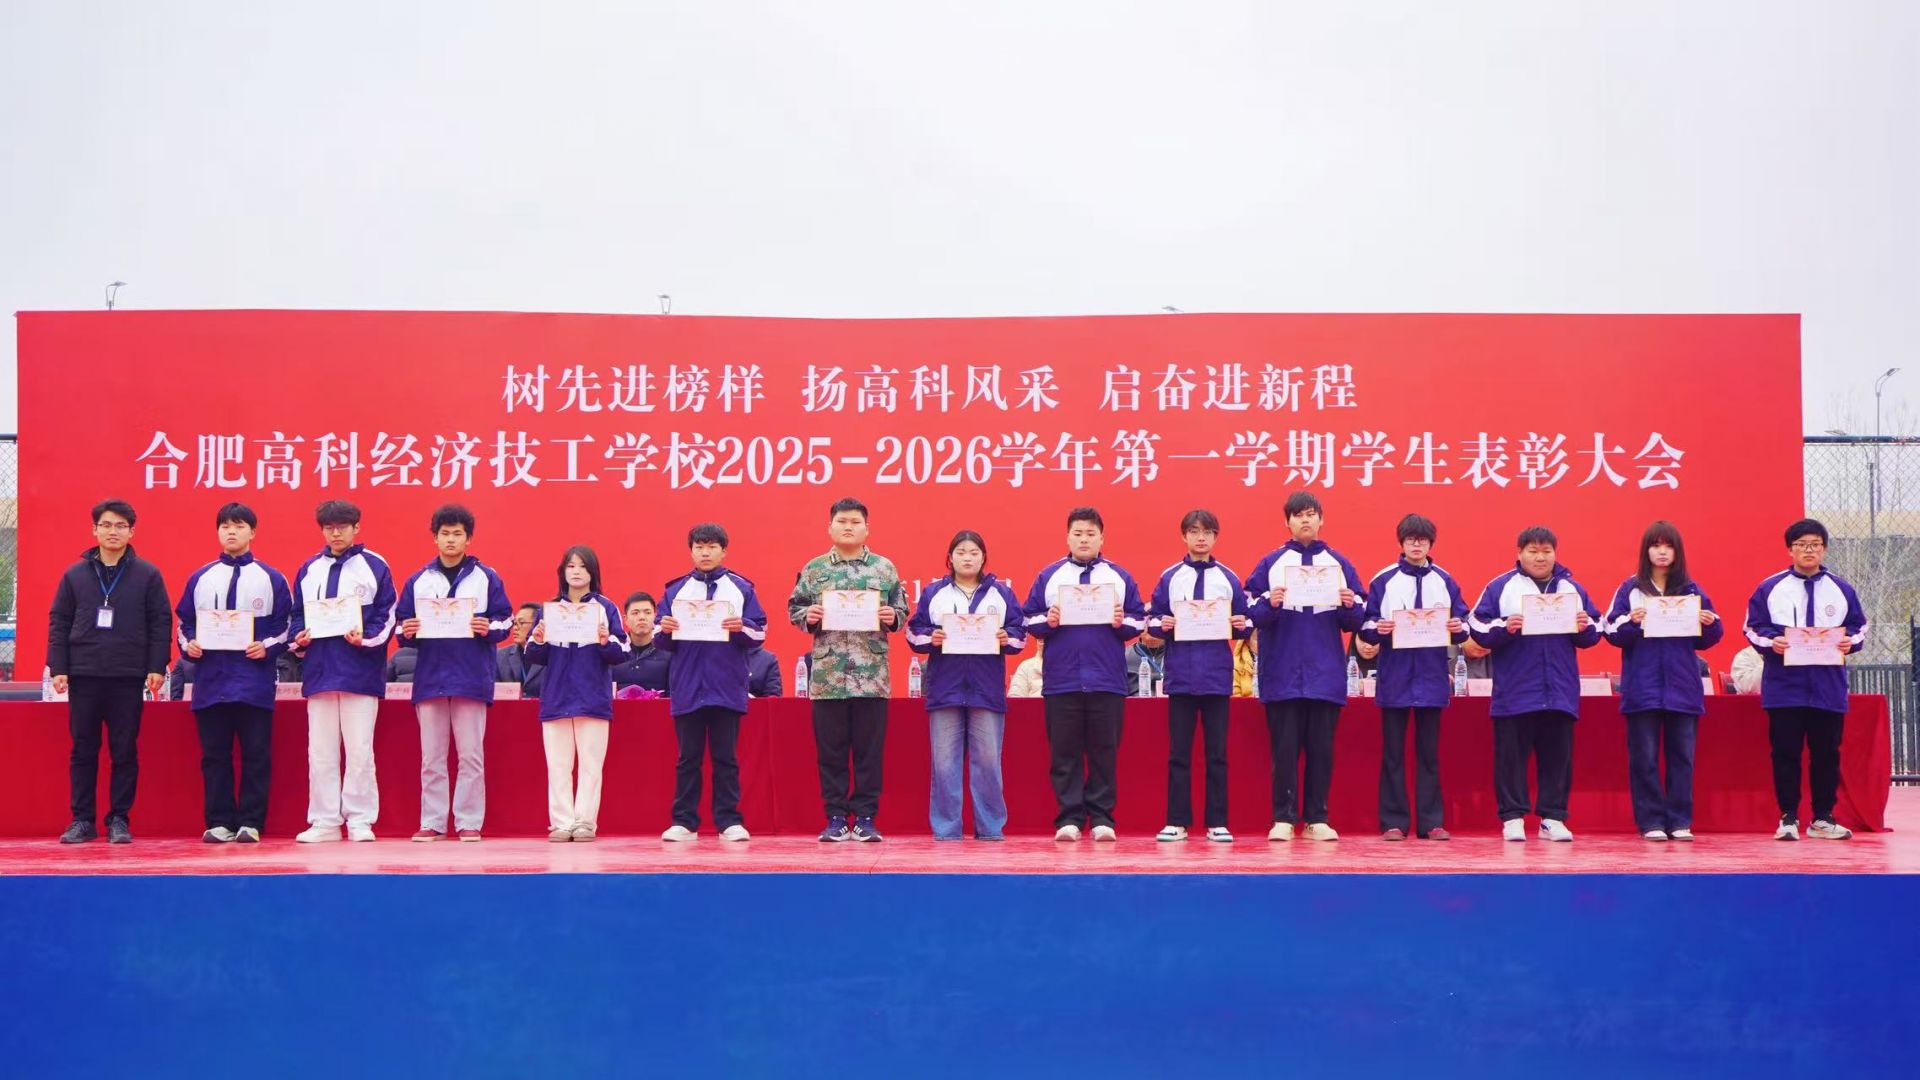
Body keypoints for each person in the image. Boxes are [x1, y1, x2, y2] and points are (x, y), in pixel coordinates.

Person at [1244, 491, 1365, 842]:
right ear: (1287, 522)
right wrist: (1270, 602)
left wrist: (1349, 605)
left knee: (1321, 751)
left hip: (1324, 673)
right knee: (1283, 751)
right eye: (1298, 515)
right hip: (1283, 672)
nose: (1305, 520)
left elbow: (1359, 616)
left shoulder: (1338, 563)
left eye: (1311, 514)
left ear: (1321, 519)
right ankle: (1283, 817)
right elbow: (1249, 611)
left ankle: (1316, 818)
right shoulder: (1271, 563)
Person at [1469, 525, 1603, 842]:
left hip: (1559, 688)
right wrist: (1504, 627)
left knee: (1557, 757)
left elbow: (1597, 628)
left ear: (1555, 553)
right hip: (1516, 689)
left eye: (1546, 551)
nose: (1540, 557)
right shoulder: (1501, 586)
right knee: (1511, 758)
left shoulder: (1572, 588)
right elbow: (1476, 626)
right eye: (1533, 551)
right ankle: (1512, 818)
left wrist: (1584, 626)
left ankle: (1552, 818)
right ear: (1519, 553)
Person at [49, 498, 171, 844]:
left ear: (131, 532)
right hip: (84, 673)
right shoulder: (75, 575)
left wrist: (156, 665)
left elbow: (160, 621)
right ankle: (82, 820)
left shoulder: (147, 575)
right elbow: (59, 621)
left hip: (127, 675)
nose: (112, 531)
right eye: (106, 525)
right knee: (83, 750)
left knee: (124, 750)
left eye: (120, 526)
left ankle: (119, 818)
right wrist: (59, 666)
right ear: (94, 530)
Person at [790, 498, 911, 842]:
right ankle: (836, 817)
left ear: (866, 529)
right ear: (830, 527)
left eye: (855, 522)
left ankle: (867, 817)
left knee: (869, 753)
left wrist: (892, 616)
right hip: (828, 677)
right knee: (831, 752)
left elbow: (901, 610)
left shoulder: (884, 568)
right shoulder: (814, 569)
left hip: (872, 676)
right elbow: (795, 607)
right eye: (842, 521)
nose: (848, 527)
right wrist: (808, 616)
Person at [1022, 506, 1146, 842]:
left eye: (1091, 534)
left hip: (1107, 679)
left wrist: (1121, 621)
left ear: (1102, 538)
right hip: (1062, 679)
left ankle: (1103, 818)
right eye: (1078, 533)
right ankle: (1069, 818)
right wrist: (1048, 620)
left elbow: (1139, 620)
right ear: (1067, 537)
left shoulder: (1118, 576)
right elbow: (1028, 619)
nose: (1084, 539)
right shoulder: (1050, 576)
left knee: (1105, 751)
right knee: (1065, 752)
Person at [393, 504, 513, 841]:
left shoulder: (486, 577)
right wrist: (408, 630)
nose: (450, 540)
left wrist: (487, 627)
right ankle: (432, 821)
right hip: (430, 678)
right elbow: (400, 626)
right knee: (431, 757)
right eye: (444, 534)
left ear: (468, 538)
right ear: (435, 538)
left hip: (471, 677)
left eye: (457, 534)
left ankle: (468, 821)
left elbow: (506, 620)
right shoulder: (419, 580)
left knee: (470, 755)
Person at [1744, 518, 1868, 841]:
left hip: (1827, 687)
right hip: (1785, 688)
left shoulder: (1842, 589)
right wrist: (1772, 641)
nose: (1808, 550)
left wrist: (1850, 642)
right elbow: (1753, 627)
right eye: (1801, 545)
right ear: (1790, 550)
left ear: (1824, 549)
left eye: (1815, 545)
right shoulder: (1771, 588)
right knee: (1785, 753)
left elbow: (1859, 628)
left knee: (1827, 754)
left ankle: (1823, 818)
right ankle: (1788, 817)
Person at [176, 502, 293, 844]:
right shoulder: (201, 577)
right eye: (225, 526)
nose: (231, 531)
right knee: (214, 756)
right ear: (217, 532)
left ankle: (251, 822)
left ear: (252, 532)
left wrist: (266, 646)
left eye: (239, 526)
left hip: (253, 682)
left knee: (256, 755)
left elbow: (286, 624)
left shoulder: (271, 578)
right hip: (211, 682)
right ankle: (219, 821)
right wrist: (190, 644)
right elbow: (184, 624)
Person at [1601, 520, 1724, 842]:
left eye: (1668, 546)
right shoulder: (1630, 589)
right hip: (1642, 688)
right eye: (1656, 546)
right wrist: (1631, 621)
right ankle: (1651, 821)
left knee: (1682, 757)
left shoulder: (1691, 590)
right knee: (1644, 758)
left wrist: (1708, 623)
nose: (1662, 552)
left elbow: (1712, 636)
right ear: (1646, 551)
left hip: (1683, 688)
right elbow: (1609, 631)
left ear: (1677, 551)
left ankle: (1680, 820)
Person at [907, 530, 1027, 841]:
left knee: (988, 762)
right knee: (944, 764)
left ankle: (990, 828)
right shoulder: (934, 592)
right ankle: (947, 830)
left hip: (986, 690)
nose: (968, 558)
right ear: (950, 558)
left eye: (974, 552)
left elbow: (1020, 636)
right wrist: (931, 637)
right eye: (961, 552)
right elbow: (914, 633)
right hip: (945, 689)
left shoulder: (1001, 594)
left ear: (984, 557)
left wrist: (1006, 637)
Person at [289, 499, 397, 843]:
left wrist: (366, 638)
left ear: (356, 528)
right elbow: (297, 615)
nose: (335, 533)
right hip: (320, 672)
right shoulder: (309, 569)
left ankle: (360, 820)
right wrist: (299, 639)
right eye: (329, 528)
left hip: (359, 672)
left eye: (342, 527)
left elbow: (387, 614)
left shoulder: (374, 565)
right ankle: (324, 822)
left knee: (360, 750)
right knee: (320, 752)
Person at [1358, 513, 1470, 841]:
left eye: (1422, 539)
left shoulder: (1444, 580)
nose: (1416, 545)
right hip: (1395, 675)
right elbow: (1365, 624)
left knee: (1429, 754)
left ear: (1430, 543)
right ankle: (1393, 822)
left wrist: (1457, 627)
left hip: (1432, 677)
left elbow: (1464, 624)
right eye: (1410, 539)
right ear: (1401, 543)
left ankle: (1431, 822)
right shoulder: (1384, 580)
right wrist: (1378, 629)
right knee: (1393, 754)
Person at [656, 522, 768, 841]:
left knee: (726, 758)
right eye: (699, 547)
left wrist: (741, 626)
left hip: (726, 686)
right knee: (687, 758)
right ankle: (683, 822)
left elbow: (760, 632)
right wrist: (665, 629)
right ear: (691, 551)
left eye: (712, 547)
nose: (705, 552)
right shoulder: (675, 590)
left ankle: (729, 821)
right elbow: (658, 636)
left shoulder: (741, 588)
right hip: (688, 686)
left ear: (723, 551)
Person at [1146, 509, 1251, 843]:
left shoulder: (1228, 577)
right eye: (1193, 531)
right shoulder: (1170, 577)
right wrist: (1162, 625)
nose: (1200, 537)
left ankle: (1217, 822)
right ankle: (1176, 821)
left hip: (1217, 676)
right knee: (1179, 753)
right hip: (1180, 675)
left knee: (1217, 754)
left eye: (1207, 532)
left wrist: (1240, 625)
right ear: (1184, 536)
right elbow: (1152, 621)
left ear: (1216, 537)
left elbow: (1247, 621)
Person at [524, 546, 630, 842]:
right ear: (563, 572)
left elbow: (622, 650)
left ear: (592, 572)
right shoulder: (549, 609)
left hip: (592, 696)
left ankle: (585, 822)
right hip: (556, 695)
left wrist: (605, 640)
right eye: (570, 566)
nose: (576, 571)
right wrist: (538, 639)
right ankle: (561, 822)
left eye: (582, 566)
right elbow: (533, 653)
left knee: (590, 765)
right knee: (558, 765)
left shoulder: (605, 608)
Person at [610, 591, 671, 694]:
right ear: (625, 619)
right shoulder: (614, 651)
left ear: (655, 617)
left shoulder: (668, 651)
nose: (642, 617)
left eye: (647, 612)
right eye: (635, 613)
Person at [497, 602, 546, 698]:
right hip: (511, 706)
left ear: (537, 624)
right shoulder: (500, 656)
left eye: (522, 623)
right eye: (515, 623)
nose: (515, 628)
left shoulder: (551, 655)